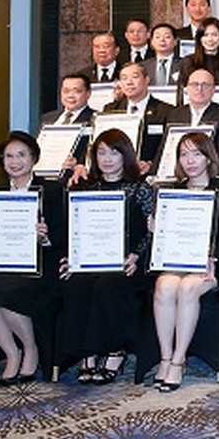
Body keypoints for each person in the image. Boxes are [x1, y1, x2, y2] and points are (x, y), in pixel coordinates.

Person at [59, 128, 154, 385]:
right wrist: (72, 257)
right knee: (77, 283)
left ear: (126, 155)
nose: (107, 159)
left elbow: (152, 232)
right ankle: (88, 353)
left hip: (128, 263)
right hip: (92, 260)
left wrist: (136, 256)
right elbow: (74, 229)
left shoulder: (140, 189)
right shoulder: (85, 188)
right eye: (101, 153)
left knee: (108, 284)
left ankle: (114, 350)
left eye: (114, 152)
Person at [0, 132, 65, 385]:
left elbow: (65, 235)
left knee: (12, 294)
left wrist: (46, 236)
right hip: (5, 262)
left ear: (34, 158)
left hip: (41, 264)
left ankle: (30, 348)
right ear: (2, 161)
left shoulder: (52, 190)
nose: (15, 162)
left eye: (21, 155)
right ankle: (12, 352)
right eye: (9, 156)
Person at [152, 131, 219, 391]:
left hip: (213, 263)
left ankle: (178, 360)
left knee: (188, 287)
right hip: (178, 261)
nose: (190, 161)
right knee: (164, 286)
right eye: (183, 155)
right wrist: (157, 228)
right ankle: (165, 357)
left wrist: (214, 256)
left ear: (208, 157)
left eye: (196, 154)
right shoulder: (172, 192)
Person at [102, 61, 172, 166]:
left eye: (135, 77)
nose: (129, 82)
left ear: (147, 80)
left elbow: (168, 148)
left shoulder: (165, 111)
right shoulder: (110, 110)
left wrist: (151, 165)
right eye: (124, 78)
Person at [167, 67, 219, 167]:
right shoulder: (174, 115)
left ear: (213, 90)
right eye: (195, 84)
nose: (199, 89)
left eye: (205, 85)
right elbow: (165, 149)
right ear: (187, 89)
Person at [177, 17, 219, 90]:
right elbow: (181, 91)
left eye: (214, 35)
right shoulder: (188, 62)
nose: (210, 39)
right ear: (200, 38)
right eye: (205, 35)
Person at [143, 23, 183, 87]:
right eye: (157, 37)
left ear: (175, 41)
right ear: (152, 42)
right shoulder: (144, 66)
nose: (162, 40)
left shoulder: (184, 64)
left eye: (167, 37)